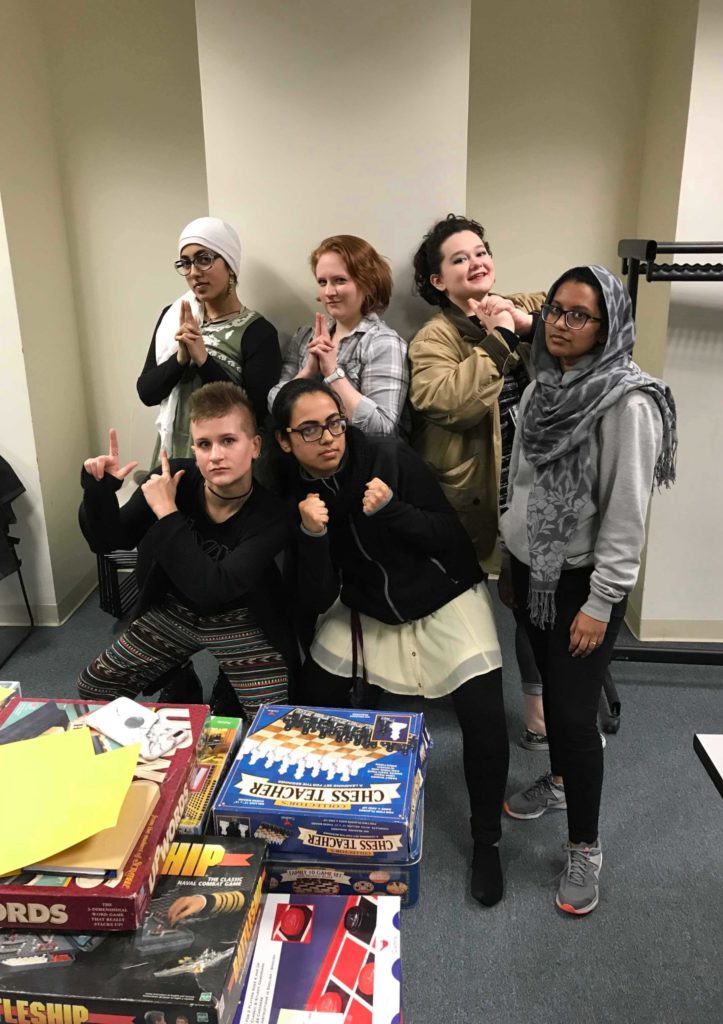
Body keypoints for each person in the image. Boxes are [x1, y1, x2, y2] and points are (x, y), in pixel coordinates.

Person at [271, 379, 509, 908]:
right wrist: (310, 535)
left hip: (443, 598)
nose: (328, 438)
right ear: (285, 441)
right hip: (367, 609)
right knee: (315, 702)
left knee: (484, 714)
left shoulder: (386, 455)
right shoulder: (289, 491)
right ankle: (329, 827)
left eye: (334, 422)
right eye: (309, 430)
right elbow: (311, 597)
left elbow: (450, 535)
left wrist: (392, 511)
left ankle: (487, 841)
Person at [500, 265, 677, 916]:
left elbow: (628, 515)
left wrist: (603, 604)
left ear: (611, 327)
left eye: (579, 314)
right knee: (548, 687)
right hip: (533, 571)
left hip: (581, 582)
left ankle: (585, 845)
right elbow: (517, 481)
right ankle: (562, 783)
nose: (560, 323)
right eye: (555, 310)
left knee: (574, 717)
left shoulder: (627, 402)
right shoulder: (547, 385)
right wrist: (507, 551)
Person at [78, 382, 297, 719]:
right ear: (193, 449)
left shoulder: (273, 514)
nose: (216, 455)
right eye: (204, 444)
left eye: (228, 441)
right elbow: (109, 540)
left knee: (271, 719)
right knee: (95, 687)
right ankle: (182, 683)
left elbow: (215, 589)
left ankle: (229, 684)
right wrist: (99, 490)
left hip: (239, 618)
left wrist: (167, 513)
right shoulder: (173, 480)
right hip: (174, 611)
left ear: (254, 446)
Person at [409, 214, 545, 575]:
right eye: (459, 259)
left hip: (534, 482)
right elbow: (450, 404)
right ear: (438, 281)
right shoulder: (432, 339)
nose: (476, 263)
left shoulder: (523, 304)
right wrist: (500, 340)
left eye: (480, 252)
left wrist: (528, 324)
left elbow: (596, 324)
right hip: (481, 493)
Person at [137, 217, 281, 460]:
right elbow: (147, 392)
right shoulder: (175, 317)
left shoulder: (258, 332)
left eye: (204, 260)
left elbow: (254, 413)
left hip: (225, 463)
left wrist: (204, 360)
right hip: (172, 455)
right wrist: (180, 359)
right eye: (186, 263)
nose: (194, 273)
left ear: (230, 265)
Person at [268, 235, 408, 436]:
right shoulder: (305, 336)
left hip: (362, 462)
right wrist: (307, 371)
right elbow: (274, 405)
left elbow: (382, 429)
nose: (329, 291)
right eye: (322, 281)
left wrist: (333, 373)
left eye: (340, 280)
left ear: (367, 284)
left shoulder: (383, 343)